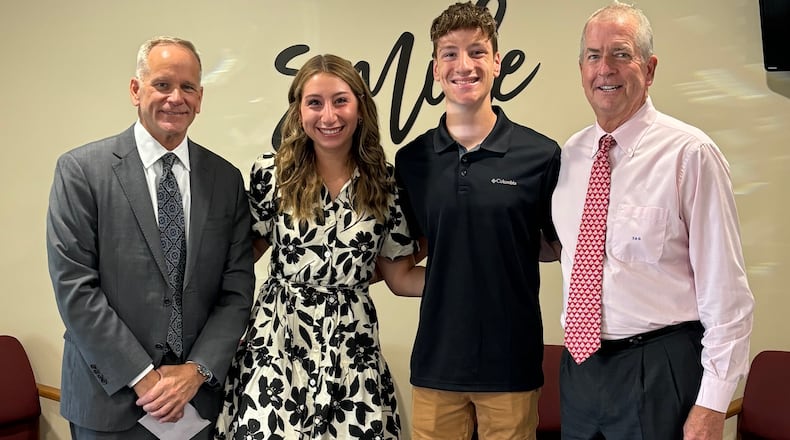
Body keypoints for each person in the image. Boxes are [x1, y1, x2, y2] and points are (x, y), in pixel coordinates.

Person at [552, 2, 755, 439]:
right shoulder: (570, 156)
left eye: (621, 54)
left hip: (660, 369)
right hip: (581, 370)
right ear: (581, 68)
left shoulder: (690, 155)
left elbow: (728, 296)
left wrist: (712, 406)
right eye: (593, 56)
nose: (604, 68)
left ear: (650, 68)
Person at [46, 36, 255, 439]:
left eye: (188, 87)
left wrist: (196, 372)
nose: (176, 98)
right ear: (136, 89)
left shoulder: (226, 180)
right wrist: (142, 377)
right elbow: (75, 288)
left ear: (200, 97)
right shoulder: (81, 171)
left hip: (194, 403)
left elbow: (237, 290)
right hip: (107, 402)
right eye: (162, 84)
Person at [214, 54, 425, 440]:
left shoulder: (386, 185)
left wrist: (472, 275)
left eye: (340, 100)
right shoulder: (270, 173)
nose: (329, 116)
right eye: (315, 102)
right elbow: (243, 257)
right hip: (277, 339)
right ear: (298, 111)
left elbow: (400, 277)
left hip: (353, 345)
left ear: (360, 106)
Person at [395, 2, 562, 438]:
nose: (463, 65)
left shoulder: (541, 155)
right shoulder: (411, 161)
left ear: (497, 64)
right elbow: (405, 263)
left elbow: (555, 247)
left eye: (477, 51)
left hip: (511, 366)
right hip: (436, 366)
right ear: (435, 68)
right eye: (450, 53)